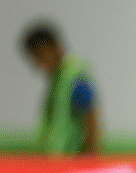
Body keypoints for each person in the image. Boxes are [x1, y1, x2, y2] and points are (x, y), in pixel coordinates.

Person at [20, 21, 102, 155]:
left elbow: (91, 116)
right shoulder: (57, 79)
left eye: (39, 55)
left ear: (53, 46)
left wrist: (90, 156)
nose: (38, 63)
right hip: (57, 159)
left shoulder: (74, 76)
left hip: (73, 160)